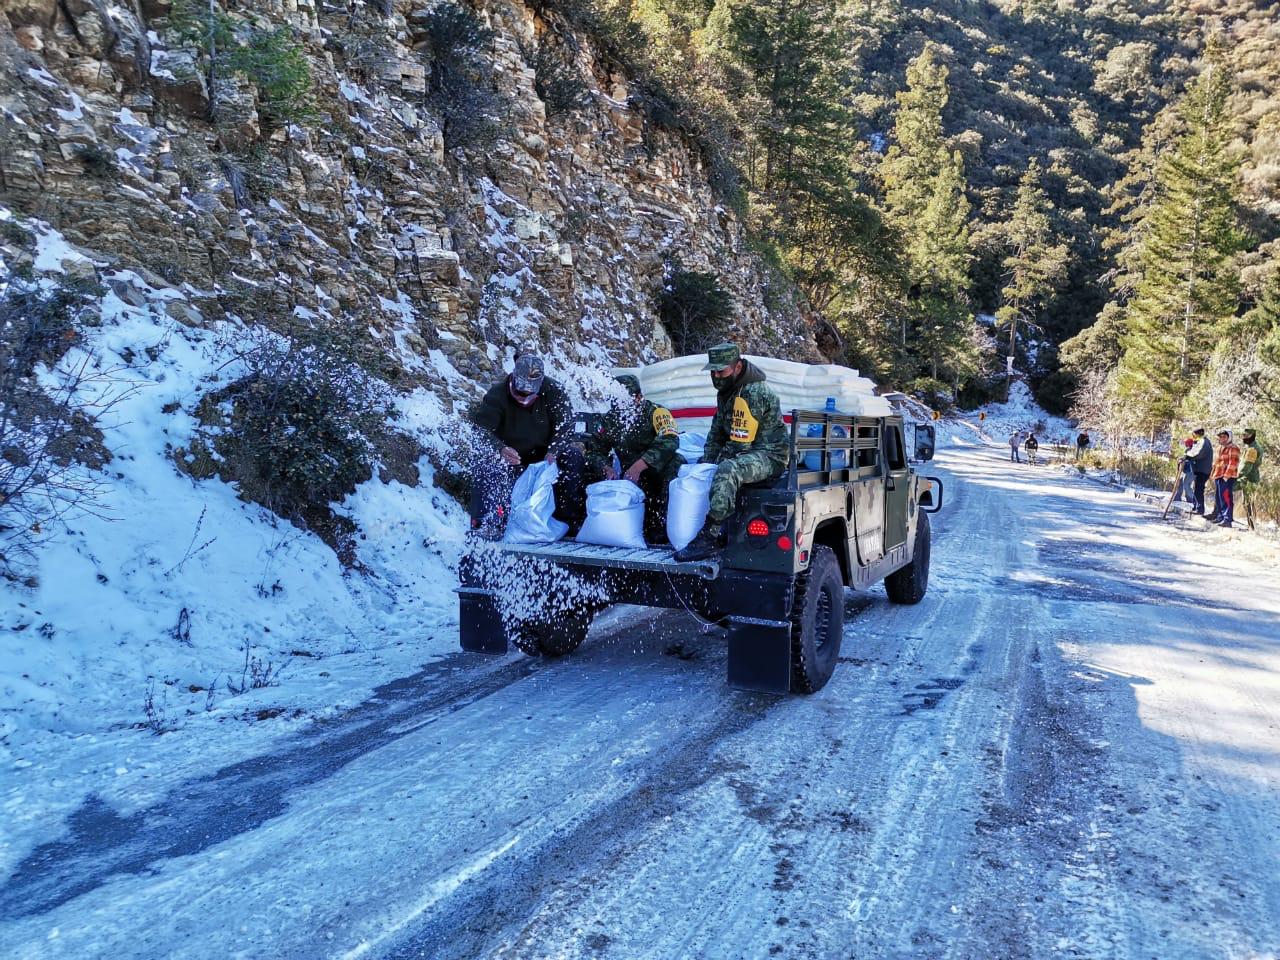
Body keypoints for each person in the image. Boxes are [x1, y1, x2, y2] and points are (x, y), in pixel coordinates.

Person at [675, 343, 789, 562]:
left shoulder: (752, 392)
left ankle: (711, 535)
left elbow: (739, 444)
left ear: (737, 367)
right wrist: (706, 461)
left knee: (728, 469)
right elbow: (716, 432)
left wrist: (716, 463)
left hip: (768, 455)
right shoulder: (727, 391)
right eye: (713, 372)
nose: (716, 376)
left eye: (721, 371)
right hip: (747, 451)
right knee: (697, 465)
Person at [467, 353, 584, 537]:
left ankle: (568, 522)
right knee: (486, 463)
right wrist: (500, 449)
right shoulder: (497, 395)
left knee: (572, 456)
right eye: (520, 392)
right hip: (512, 459)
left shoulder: (553, 391)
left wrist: (554, 450)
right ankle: (487, 523)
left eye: (529, 394)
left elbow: (566, 426)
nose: (524, 397)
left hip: (545, 458)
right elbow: (481, 430)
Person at [584, 374, 684, 543]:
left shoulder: (657, 412)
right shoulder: (610, 419)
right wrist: (605, 467)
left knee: (676, 462)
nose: (620, 406)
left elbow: (670, 440)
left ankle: (663, 526)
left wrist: (640, 465)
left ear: (638, 397)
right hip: (629, 476)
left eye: (625, 401)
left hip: (657, 470)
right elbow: (594, 450)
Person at [1209, 429, 1240, 527]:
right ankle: (1220, 516)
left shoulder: (1233, 448)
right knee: (1219, 498)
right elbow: (1216, 462)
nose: (1222, 438)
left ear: (1229, 437)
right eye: (1221, 437)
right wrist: (1212, 473)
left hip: (1227, 477)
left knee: (1226, 497)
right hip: (1218, 475)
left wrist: (1227, 476)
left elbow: (1233, 462)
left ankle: (1227, 519)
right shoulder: (1220, 448)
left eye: (1224, 437)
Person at [1237, 427, 1264, 528]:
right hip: (1249, 477)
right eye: (1243, 435)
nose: (1243, 437)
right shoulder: (1251, 447)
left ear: (1252, 436)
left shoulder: (1253, 449)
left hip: (1249, 478)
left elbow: (1247, 466)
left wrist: (1238, 475)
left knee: (1248, 503)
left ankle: (1252, 527)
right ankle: (1252, 526)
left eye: (1245, 436)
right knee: (1248, 502)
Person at [1186, 427, 1213, 516]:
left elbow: (1198, 454)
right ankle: (1195, 506)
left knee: (1199, 489)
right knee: (1196, 488)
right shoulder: (1199, 442)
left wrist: (1189, 456)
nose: (1193, 436)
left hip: (1203, 469)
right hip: (1198, 469)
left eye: (1194, 434)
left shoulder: (1204, 442)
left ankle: (1199, 509)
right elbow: (1193, 451)